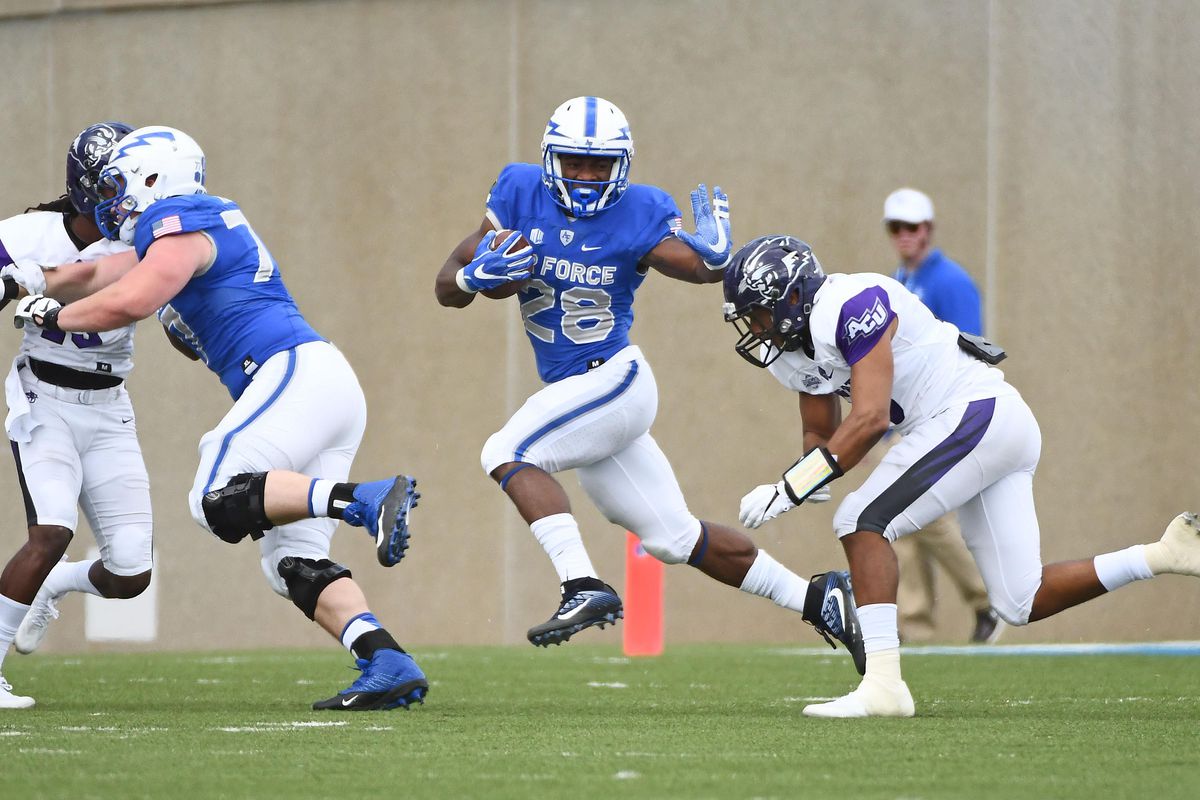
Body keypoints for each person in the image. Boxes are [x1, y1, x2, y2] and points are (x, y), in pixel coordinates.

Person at [434, 96, 864, 670]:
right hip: (580, 396)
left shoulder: (638, 212)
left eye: (600, 166)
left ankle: (581, 584)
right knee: (673, 538)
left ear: (623, 167)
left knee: (506, 450)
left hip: (614, 380)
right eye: (574, 163)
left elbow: (693, 266)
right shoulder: (518, 192)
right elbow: (446, 285)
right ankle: (820, 598)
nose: (586, 177)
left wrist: (715, 259)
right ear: (548, 159)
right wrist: (470, 274)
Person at [13, 125, 426, 711]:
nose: (112, 199)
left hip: (291, 373)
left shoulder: (179, 215)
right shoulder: (186, 227)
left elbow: (133, 298)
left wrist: (56, 315)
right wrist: (34, 277)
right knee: (291, 562)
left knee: (212, 496)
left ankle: (365, 497)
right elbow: (103, 272)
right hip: (321, 388)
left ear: (153, 178)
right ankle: (386, 660)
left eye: (118, 184)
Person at [725, 234, 1199, 718]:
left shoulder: (852, 303)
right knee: (1019, 600)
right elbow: (820, 428)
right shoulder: (794, 349)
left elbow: (869, 419)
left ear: (794, 296)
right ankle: (1163, 553)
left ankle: (884, 686)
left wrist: (792, 487)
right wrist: (813, 469)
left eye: (758, 312)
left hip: (972, 412)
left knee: (859, 521)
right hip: (985, 426)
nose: (755, 327)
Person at [0, 122, 146, 709]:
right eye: (118, 183)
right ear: (88, 186)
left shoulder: (148, 237)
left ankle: (53, 588)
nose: (130, 196)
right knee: (53, 530)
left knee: (133, 572)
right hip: (46, 399)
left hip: (111, 408)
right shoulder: (30, 233)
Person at [881, 187, 999, 644]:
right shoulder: (901, 278)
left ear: (927, 230)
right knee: (896, 520)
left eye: (912, 227)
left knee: (926, 516)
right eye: (896, 228)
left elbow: (972, 347)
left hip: (939, 415)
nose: (904, 236)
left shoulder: (949, 281)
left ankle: (989, 599)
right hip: (904, 421)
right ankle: (916, 627)